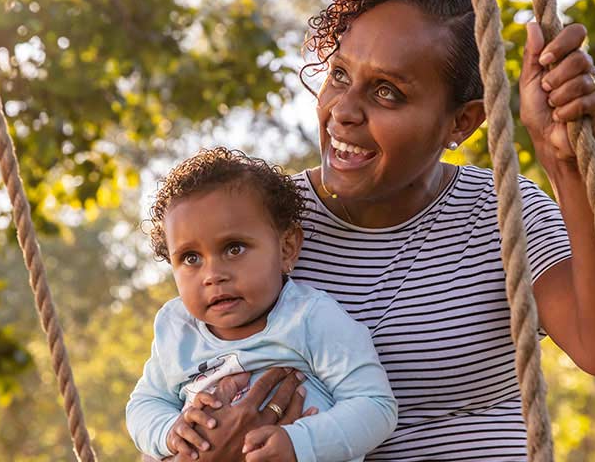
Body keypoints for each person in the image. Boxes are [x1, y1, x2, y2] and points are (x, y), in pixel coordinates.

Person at [156, 0, 595, 462]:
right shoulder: (259, 228)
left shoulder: (503, 213)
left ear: (461, 122)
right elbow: (181, 397)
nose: (343, 111)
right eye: (340, 74)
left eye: (387, 92)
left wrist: (568, 166)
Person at [126, 147, 398, 462]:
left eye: (234, 248)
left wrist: (298, 443)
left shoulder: (309, 317)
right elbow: (144, 404)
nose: (213, 275)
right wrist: (170, 432)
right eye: (190, 258)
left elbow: (375, 406)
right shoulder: (177, 328)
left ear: (286, 248)